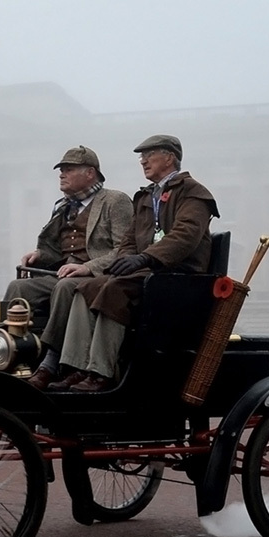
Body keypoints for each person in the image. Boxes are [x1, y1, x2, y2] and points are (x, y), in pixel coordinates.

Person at [52, 134, 219, 392]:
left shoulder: (193, 192)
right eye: (142, 157)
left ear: (170, 157)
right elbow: (129, 239)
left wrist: (145, 258)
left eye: (149, 155)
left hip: (178, 276)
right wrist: (124, 260)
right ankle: (75, 368)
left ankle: (100, 373)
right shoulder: (145, 197)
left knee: (114, 290)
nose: (143, 161)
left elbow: (184, 236)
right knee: (85, 289)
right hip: (147, 273)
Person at [2, 146, 133, 389]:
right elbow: (57, 252)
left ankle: (49, 365)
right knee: (19, 288)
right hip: (63, 273)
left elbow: (125, 249)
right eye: (61, 170)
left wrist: (89, 267)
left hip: (98, 278)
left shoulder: (115, 201)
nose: (62, 174)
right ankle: (10, 356)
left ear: (90, 173)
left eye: (68, 169)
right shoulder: (63, 206)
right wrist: (39, 255)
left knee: (65, 287)